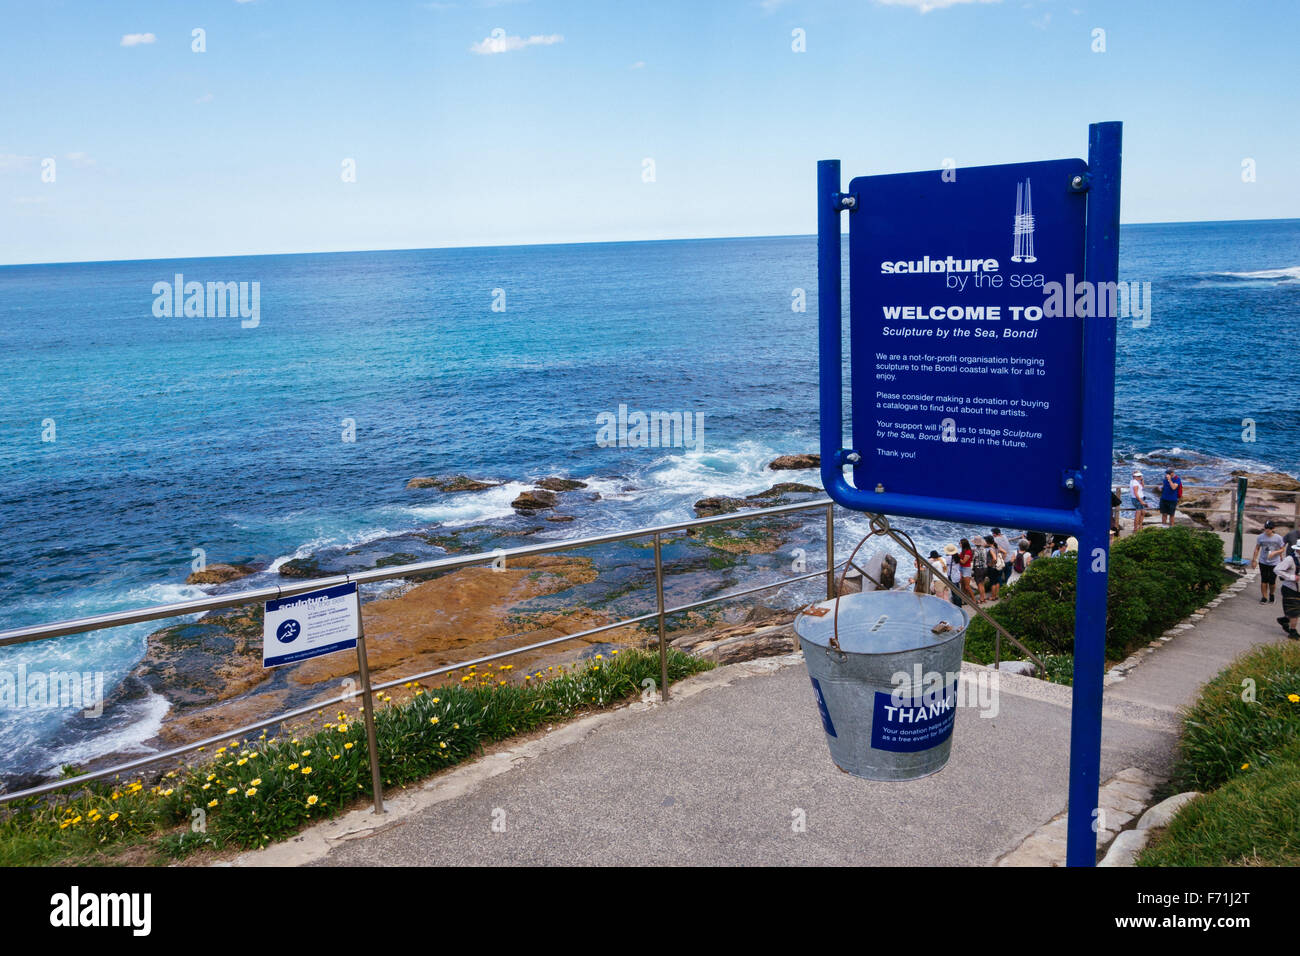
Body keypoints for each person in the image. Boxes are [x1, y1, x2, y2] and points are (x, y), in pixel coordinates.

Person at [1271, 541, 1300, 640]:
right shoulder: (1290, 559)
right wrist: (1291, 577)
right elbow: (1277, 569)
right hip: (1290, 589)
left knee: (1296, 611)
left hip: (1298, 589)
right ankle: (1293, 631)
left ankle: (1285, 620)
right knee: (1294, 611)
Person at [1252, 520, 1285, 604]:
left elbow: (1282, 549)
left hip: (1274, 562)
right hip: (1263, 561)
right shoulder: (1260, 537)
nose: (1267, 530)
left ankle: (1272, 594)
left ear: (1273, 528)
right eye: (1266, 528)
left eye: (1269, 528)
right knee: (1264, 580)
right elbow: (1257, 548)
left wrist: (1275, 553)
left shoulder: (1278, 538)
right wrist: (1254, 560)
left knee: (1272, 581)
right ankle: (1264, 597)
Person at [990, 527, 1013, 597]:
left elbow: (990, 545)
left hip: (1003, 561)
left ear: (996, 534)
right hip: (1009, 560)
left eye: (993, 533)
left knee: (999, 577)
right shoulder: (1005, 536)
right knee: (1008, 577)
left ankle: (1000, 592)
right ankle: (1007, 592)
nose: (992, 535)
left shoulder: (995, 540)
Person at [971, 536, 990, 604]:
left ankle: (982, 599)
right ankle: (984, 598)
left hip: (978, 569)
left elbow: (972, 559)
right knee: (982, 583)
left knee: (979, 584)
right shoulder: (984, 549)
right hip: (985, 568)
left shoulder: (975, 550)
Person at [958, 538, 976, 603]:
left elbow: (963, 562)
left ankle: (974, 600)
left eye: (960, 543)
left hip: (966, 569)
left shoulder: (968, 552)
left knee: (967, 586)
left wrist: (957, 557)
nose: (959, 544)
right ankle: (964, 599)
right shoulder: (963, 551)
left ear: (963, 544)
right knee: (962, 585)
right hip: (961, 568)